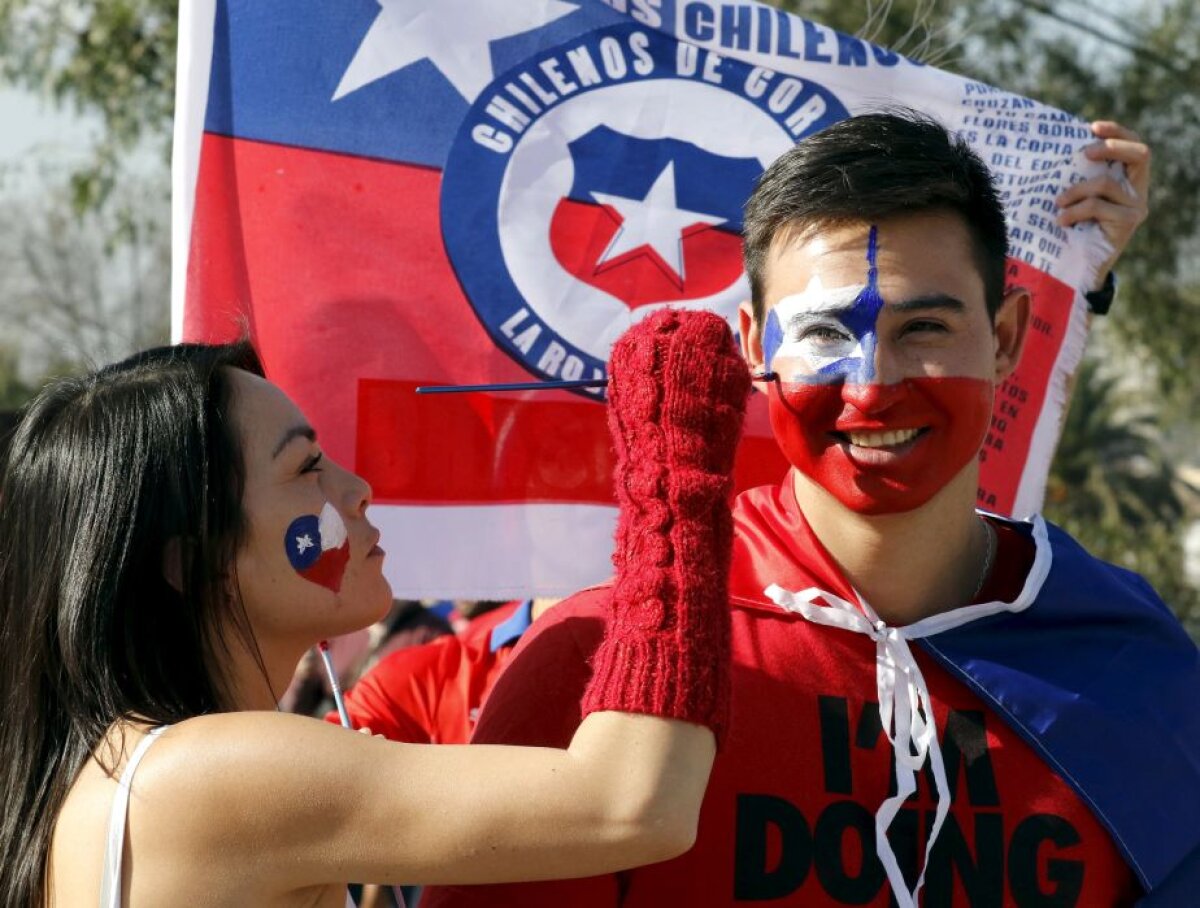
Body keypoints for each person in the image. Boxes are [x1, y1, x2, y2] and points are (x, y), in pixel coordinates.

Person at [423, 114, 1199, 907]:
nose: (871, 387)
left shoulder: (1130, 660)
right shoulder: (603, 657)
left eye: (924, 328)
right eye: (826, 332)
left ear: (1004, 340)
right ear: (755, 348)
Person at [0, 309, 749, 906]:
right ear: (191, 561)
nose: (357, 490)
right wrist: (674, 461)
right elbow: (633, 803)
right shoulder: (213, 772)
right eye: (307, 468)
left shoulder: (135, 766)